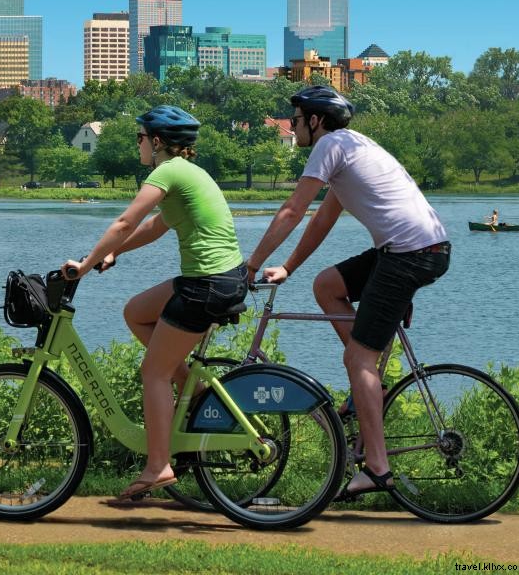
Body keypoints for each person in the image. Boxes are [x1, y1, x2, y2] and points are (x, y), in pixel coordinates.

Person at [245, 85, 450, 501]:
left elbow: (293, 209)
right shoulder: (352, 147)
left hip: (408, 254)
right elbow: (321, 220)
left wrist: (249, 266)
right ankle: (367, 388)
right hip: (417, 250)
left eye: (298, 120)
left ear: (316, 121)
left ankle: (377, 469)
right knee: (327, 286)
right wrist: (287, 267)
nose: (294, 126)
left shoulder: (330, 145)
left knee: (357, 358)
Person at [61, 105, 247, 502]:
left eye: (140, 137)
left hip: (206, 285)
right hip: (216, 279)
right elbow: (155, 226)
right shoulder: (188, 172)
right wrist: (115, 254)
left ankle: (158, 465)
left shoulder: (166, 171)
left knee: (153, 373)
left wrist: (85, 264)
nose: (138, 145)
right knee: (136, 312)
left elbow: (125, 222)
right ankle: (193, 387)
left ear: (157, 141)